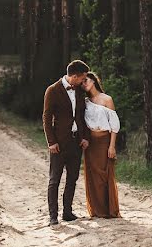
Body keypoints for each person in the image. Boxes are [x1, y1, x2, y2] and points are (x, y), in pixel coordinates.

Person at [43, 60, 91, 226]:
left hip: (76, 142)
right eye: (82, 78)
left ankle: (67, 212)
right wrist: (51, 141)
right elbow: (46, 119)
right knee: (54, 179)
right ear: (74, 76)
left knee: (73, 178)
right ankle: (53, 216)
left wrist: (84, 137)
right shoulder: (53, 90)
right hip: (59, 143)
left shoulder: (78, 90)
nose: (83, 81)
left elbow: (81, 116)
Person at [81, 72, 121, 218]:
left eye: (86, 80)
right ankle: (97, 211)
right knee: (93, 176)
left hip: (104, 141)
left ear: (93, 80)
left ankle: (108, 209)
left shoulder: (107, 99)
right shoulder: (85, 101)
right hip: (91, 143)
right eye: (82, 82)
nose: (84, 83)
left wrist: (112, 146)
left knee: (104, 175)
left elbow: (114, 125)